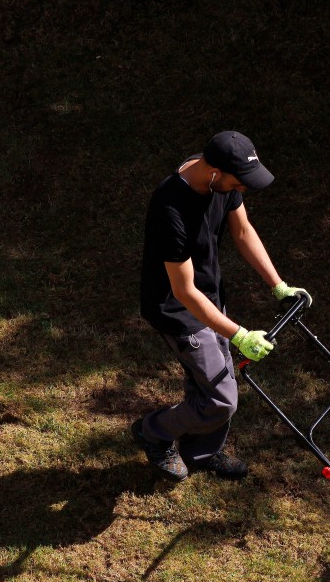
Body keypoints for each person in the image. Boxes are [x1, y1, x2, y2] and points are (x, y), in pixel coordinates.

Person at [133, 130, 311, 483]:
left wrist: (279, 286)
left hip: (210, 297)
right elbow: (183, 291)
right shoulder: (171, 208)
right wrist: (240, 334)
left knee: (215, 382)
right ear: (214, 171)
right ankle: (153, 431)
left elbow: (243, 231)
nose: (243, 189)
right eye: (238, 182)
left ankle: (201, 452)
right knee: (221, 400)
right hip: (178, 310)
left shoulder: (220, 184)